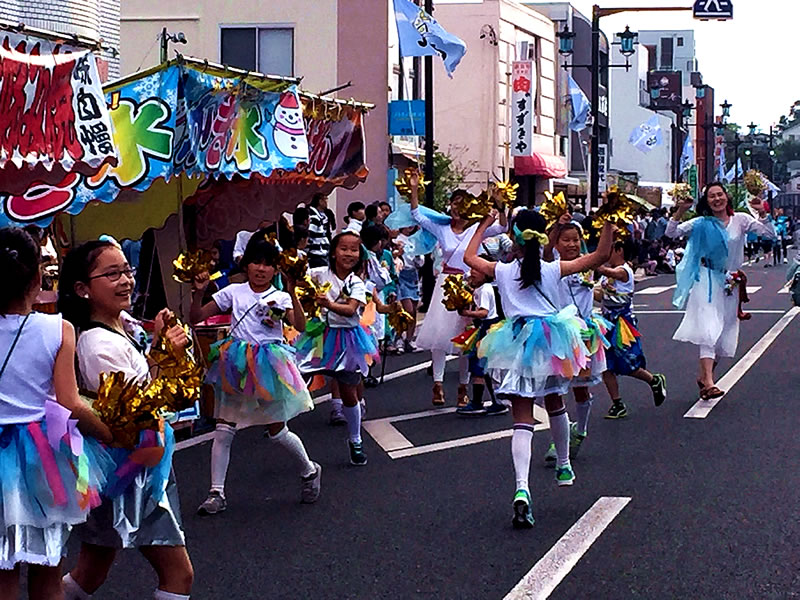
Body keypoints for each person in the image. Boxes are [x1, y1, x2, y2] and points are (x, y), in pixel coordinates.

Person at [58, 240, 194, 600]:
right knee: (178, 574)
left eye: (127, 271)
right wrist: (168, 357)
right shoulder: (97, 345)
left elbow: (137, 387)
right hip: (131, 471)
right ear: (82, 289)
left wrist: (157, 348)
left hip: (125, 468)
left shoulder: (118, 328)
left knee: (90, 571)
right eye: (111, 274)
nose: (125, 281)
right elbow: (135, 415)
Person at [464, 209, 614, 529]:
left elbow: (468, 257)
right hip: (549, 339)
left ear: (515, 236)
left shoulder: (502, 271)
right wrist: (610, 220)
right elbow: (601, 255)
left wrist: (485, 226)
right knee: (556, 402)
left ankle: (522, 487)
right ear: (544, 235)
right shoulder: (552, 268)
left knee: (522, 419)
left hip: (516, 339)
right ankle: (563, 464)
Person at [0, 228, 112, 600]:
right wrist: (109, 432)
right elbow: (69, 402)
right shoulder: (57, 328)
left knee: (3, 576)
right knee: (48, 571)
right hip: (42, 456)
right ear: (37, 278)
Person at [190, 235, 320, 516]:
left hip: (268, 366)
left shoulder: (281, 296)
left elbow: (300, 324)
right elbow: (196, 316)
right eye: (255, 262)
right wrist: (198, 291)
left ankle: (309, 470)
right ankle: (216, 493)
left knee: (277, 431)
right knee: (224, 429)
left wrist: (293, 291)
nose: (261, 269)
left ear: (276, 269)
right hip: (235, 363)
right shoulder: (233, 291)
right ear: (246, 264)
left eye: (268, 264)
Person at [666, 182, 775, 399]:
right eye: (711, 196)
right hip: (706, 279)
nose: (717, 199)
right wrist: (679, 211)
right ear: (706, 202)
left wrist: (763, 212)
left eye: (720, 195)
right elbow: (672, 233)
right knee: (709, 327)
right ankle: (708, 382)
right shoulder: (701, 223)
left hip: (731, 281)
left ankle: (704, 376)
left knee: (724, 329)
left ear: (727, 197)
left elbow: (768, 234)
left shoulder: (741, 220)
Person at [408, 174, 507, 407]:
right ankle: (438, 384)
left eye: (461, 203)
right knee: (440, 336)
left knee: (466, 337)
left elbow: (502, 226)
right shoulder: (442, 228)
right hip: (446, 283)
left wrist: (501, 204)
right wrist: (414, 189)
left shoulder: (477, 228)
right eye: (454, 203)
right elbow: (417, 215)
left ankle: (463, 387)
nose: (456, 208)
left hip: (469, 284)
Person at [294, 231, 379, 465]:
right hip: (319, 336)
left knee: (349, 392)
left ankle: (355, 439)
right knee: (293, 374)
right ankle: (276, 422)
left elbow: (351, 309)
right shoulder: (319, 273)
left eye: (354, 249)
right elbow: (299, 279)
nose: (348, 253)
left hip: (347, 340)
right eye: (344, 248)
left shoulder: (357, 283)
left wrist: (329, 304)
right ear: (333, 251)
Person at [543, 220, 609, 464]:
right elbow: (547, 250)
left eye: (575, 239)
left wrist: (610, 222)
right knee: (554, 389)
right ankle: (560, 439)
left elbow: (603, 253)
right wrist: (554, 226)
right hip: (558, 333)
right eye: (566, 239)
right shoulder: (551, 266)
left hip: (584, 334)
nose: (571, 244)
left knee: (581, 386)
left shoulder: (587, 264)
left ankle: (580, 430)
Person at [596, 239, 667, 419]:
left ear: (619, 250)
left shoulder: (624, 270)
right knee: (606, 365)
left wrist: (590, 262)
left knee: (627, 363)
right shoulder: (607, 275)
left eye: (609, 251)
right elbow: (601, 297)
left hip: (622, 324)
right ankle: (617, 403)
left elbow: (609, 272)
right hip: (606, 321)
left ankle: (653, 380)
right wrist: (586, 288)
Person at [453, 265, 508, 417]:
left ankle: (477, 402)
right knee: (485, 368)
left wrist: (467, 312)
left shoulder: (484, 289)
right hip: (487, 327)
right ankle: (496, 402)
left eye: (476, 271)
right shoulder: (482, 288)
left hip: (486, 328)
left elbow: (484, 312)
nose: (472, 273)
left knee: (479, 365)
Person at [395, 226, 424, 353]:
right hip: (401, 275)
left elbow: (421, 263)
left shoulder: (416, 241)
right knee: (406, 310)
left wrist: (417, 255)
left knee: (413, 310)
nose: (409, 227)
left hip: (413, 275)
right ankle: (399, 338)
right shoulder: (396, 240)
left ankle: (409, 340)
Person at [307, 193, 331, 268]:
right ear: (320, 201)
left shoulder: (320, 216)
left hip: (321, 254)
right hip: (317, 254)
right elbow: (310, 234)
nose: (327, 202)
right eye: (325, 199)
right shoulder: (314, 217)